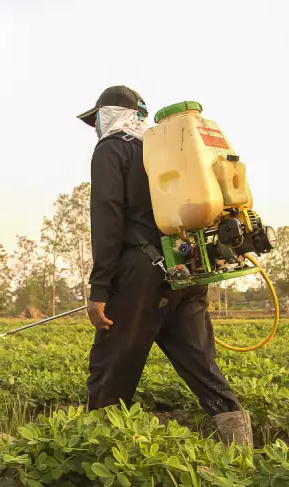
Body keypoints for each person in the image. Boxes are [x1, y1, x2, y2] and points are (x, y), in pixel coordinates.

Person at [76, 85, 253, 446]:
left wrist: (99, 290)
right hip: (187, 270)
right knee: (203, 368)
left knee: (111, 368)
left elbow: (107, 222)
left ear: (107, 115)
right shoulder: (166, 152)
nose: (95, 127)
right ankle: (243, 454)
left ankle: (96, 455)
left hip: (140, 276)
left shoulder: (112, 149)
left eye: (96, 119)